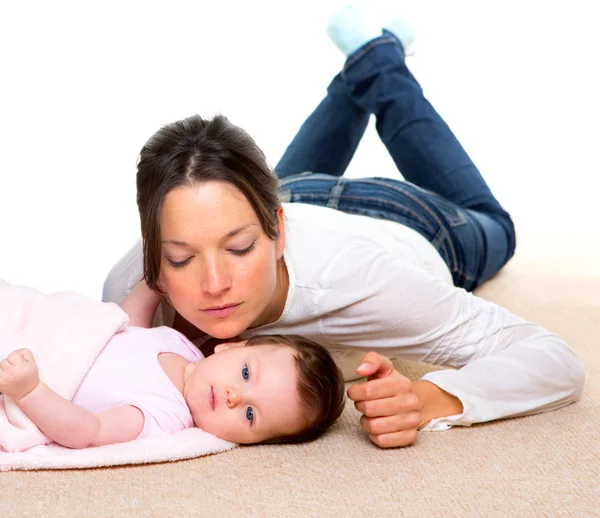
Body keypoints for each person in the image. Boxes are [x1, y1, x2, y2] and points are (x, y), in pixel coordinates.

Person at [103, 5, 585, 448]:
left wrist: (428, 398)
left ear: (277, 234)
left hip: (407, 219)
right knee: (273, 189)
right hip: (292, 190)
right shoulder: (128, 289)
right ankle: (364, 63)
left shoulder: (362, 282)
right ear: (155, 254)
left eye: (240, 248)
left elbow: (554, 359)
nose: (214, 285)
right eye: (182, 258)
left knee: (497, 228)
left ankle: (380, 56)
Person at [0, 287, 346, 448]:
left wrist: (30, 391)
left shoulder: (165, 415)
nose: (234, 396)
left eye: (251, 414)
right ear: (230, 346)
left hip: (28, 366)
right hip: (38, 320)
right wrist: (151, 288)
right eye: (245, 373)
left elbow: (89, 431)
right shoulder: (181, 346)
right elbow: (126, 327)